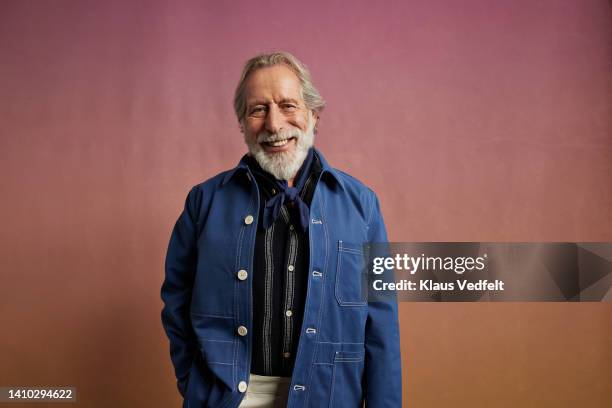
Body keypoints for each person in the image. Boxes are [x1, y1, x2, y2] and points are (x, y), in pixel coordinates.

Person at [161, 51, 401, 408]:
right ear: (242, 123)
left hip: (329, 398)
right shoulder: (204, 202)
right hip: (228, 398)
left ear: (313, 115)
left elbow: (381, 323)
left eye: (288, 105)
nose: (274, 124)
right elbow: (176, 301)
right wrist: (193, 382)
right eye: (258, 109)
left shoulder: (362, 205)